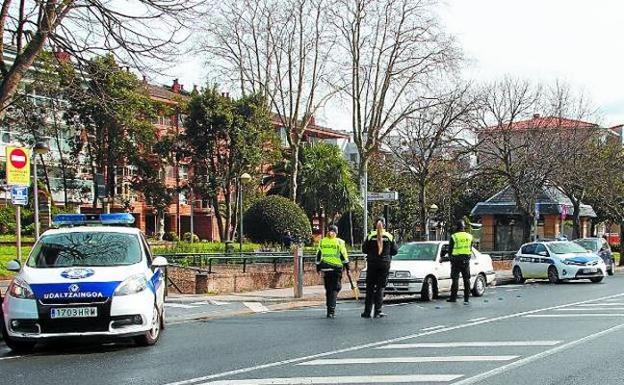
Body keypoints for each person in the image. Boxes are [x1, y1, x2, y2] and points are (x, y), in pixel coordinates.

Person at [361, 217, 398, 318]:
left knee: (370, 288)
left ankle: (367, 312)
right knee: (380, 288)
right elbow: (395, 251)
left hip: (372, 264)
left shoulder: (370, 236)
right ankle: (378, 312)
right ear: (385, 225)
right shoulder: (389, 236)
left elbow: (364, 249)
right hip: (384, 264)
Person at [316, 225, 349, 318]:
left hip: (325, 268)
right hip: (336, 268)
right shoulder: (339, 242)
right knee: (335, 288)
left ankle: (328, 310)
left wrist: (318, 267)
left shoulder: (322, 241)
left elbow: (318, 255)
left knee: (328, 289)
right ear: (336, 232)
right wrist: (347, 267)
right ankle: (331, 310)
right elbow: (343, 255)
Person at [447, 220, 474, 304]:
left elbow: (450, 250)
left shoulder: (454, 236)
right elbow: (470, 248)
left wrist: (450, 258)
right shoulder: (470, 236)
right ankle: (466, 299)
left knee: (455, 279)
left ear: (457, 227)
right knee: (466, 280)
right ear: (463, 227)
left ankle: (453, 298)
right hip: (466, 260)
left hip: (455, 260)